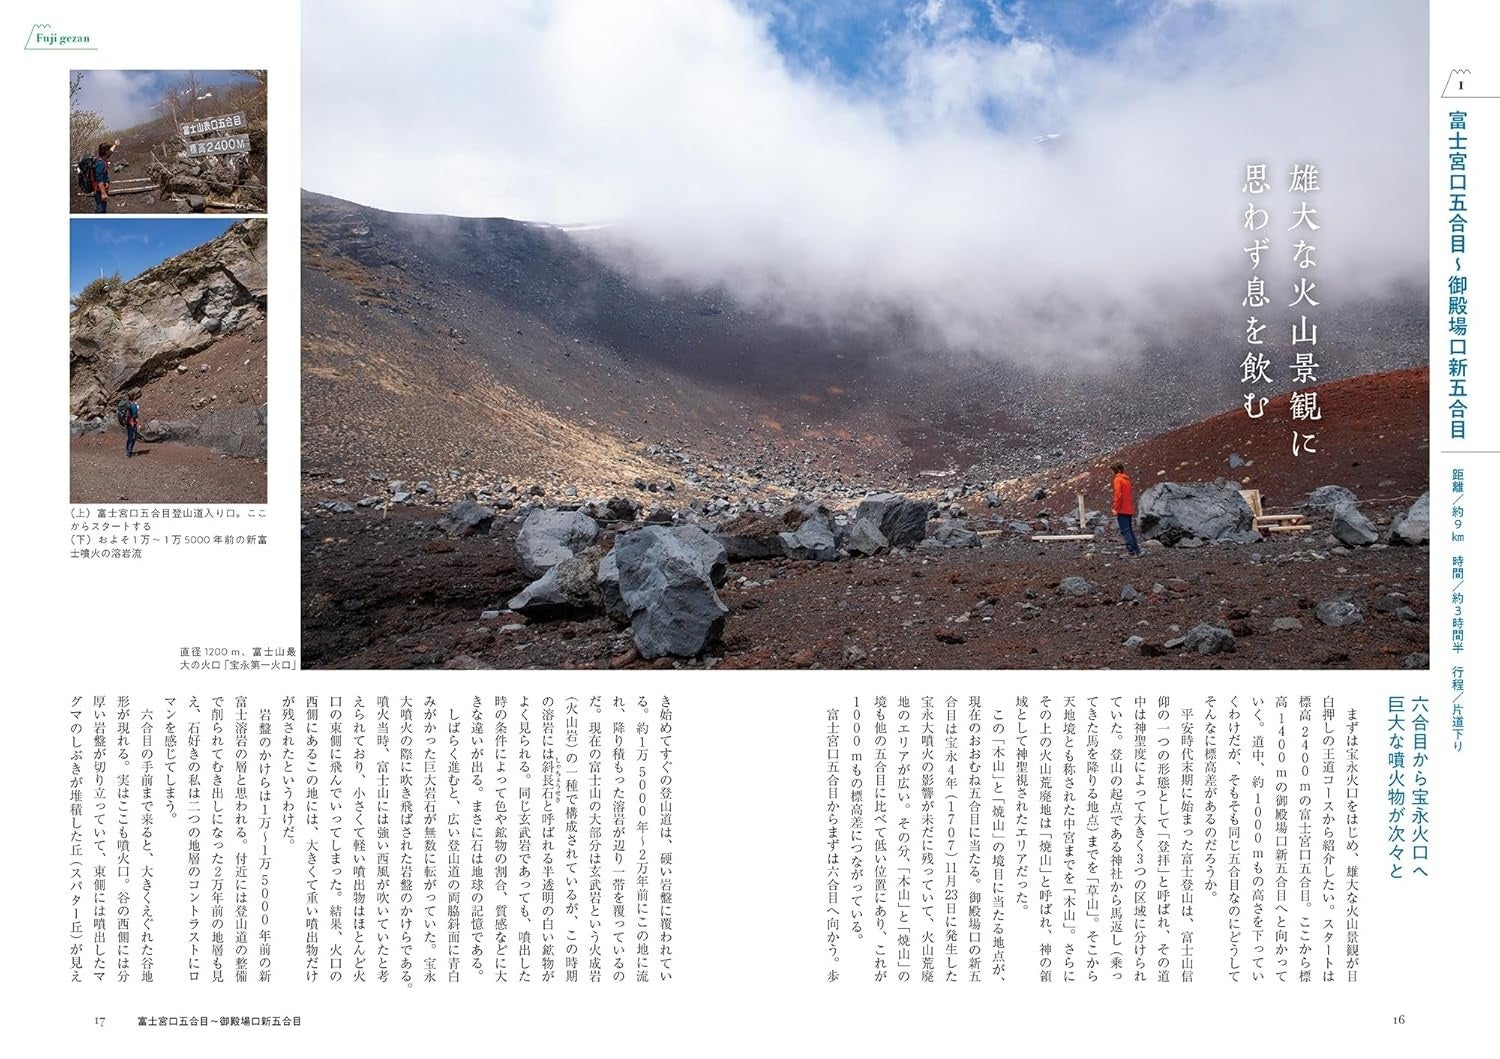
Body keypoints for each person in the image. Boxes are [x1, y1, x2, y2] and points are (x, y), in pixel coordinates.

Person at [1111, 461, 1140, 555]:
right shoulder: (1126, 479)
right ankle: (1136, 550)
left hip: (1122, 509)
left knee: (1125, 530)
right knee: (1129, 529)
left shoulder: (1118, 480)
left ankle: (1131, 551)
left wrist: (1115, 508)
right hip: (1128, 508)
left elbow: (1118, 495)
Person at [92, 139, 119, 213]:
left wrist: (115, 144)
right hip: (99, 190)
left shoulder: (102, 158)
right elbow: (99, 179)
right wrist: (103, 193)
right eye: (108, 149)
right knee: (100, 209)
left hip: (102, 189)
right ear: (106, 151)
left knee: (103, 207)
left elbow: (110, 152)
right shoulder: (100, 163)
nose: (110, 151)